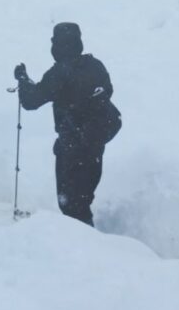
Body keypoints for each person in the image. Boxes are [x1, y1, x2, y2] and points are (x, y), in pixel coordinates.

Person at [14, 22, 121, 226]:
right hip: (96, 143)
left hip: (71, 147)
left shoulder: (59, 73)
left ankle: (83, 248)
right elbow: (107, 91)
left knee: (71, 204)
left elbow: (31, 101)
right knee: (84, 199)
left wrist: (22, 79)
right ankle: (90, 242)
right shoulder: (95, 65)